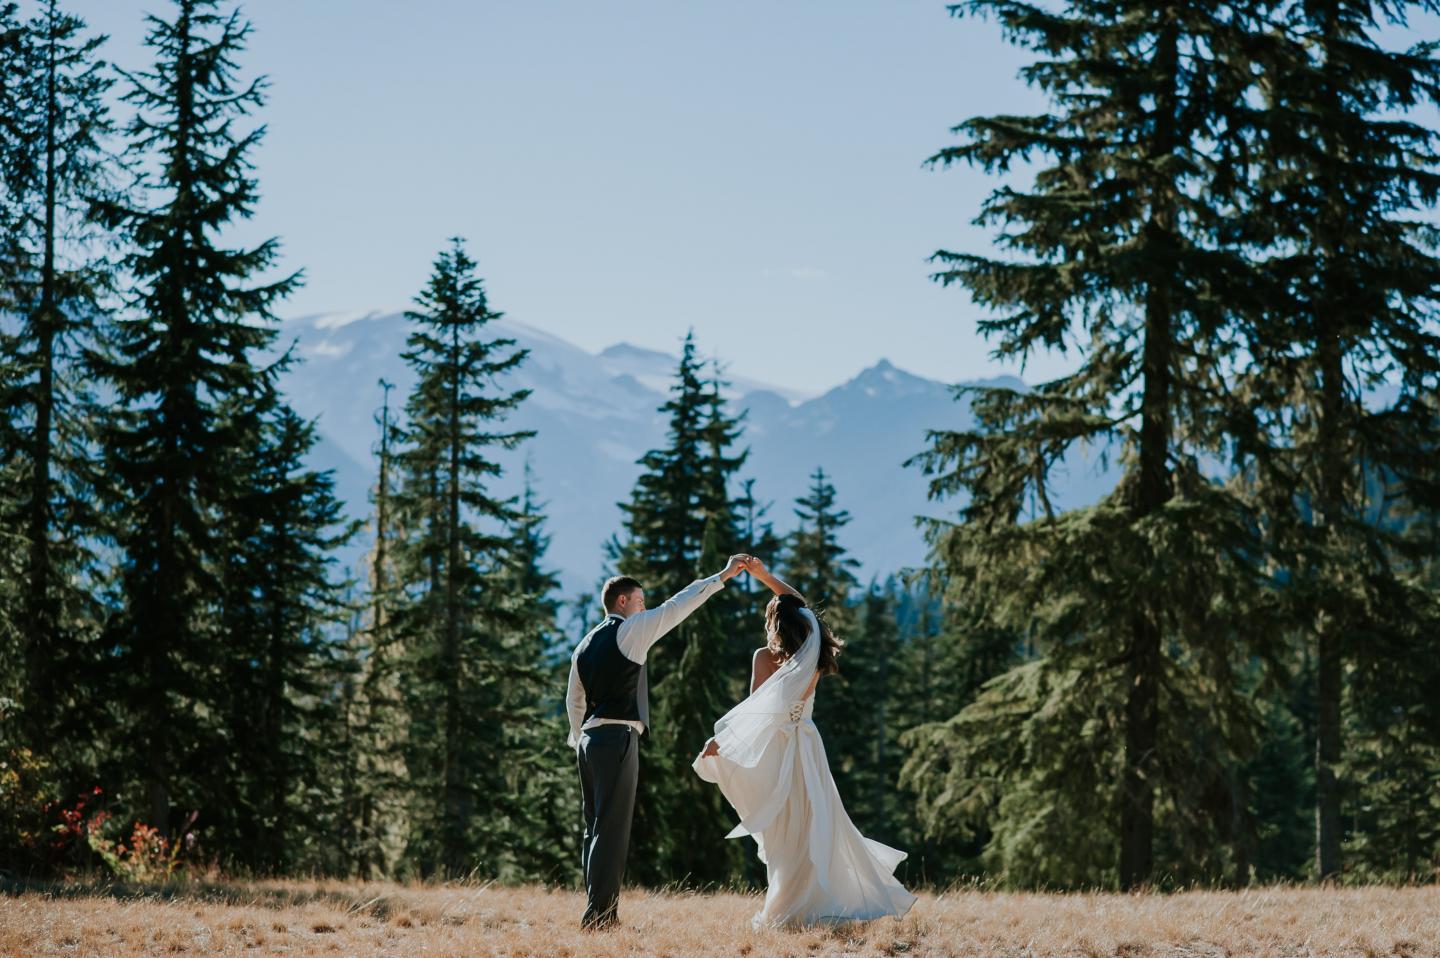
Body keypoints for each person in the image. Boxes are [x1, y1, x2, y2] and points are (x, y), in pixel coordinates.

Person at [693, 555, 917, 929]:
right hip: (808, 746)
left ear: (773, 623)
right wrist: (767, 578)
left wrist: (721, 742)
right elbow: (801, 605)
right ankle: (810, 902)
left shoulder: (764, 657)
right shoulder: (812, 652)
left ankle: (787, 907)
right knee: (817, 824)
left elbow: (755, 714)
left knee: (784, 831)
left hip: (781, 750)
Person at [565, 554, 749, 930]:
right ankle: (599, 917)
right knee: (611, 831)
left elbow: (574, 700)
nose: (645, 608)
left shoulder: (583, 644)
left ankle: (597, 909)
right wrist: (723, 576)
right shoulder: (631, 631)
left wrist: (577, 739)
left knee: (594, 828)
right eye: (640, 601)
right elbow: (678, 606)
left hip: (588, 741)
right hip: (617, 737)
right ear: (622, 602)